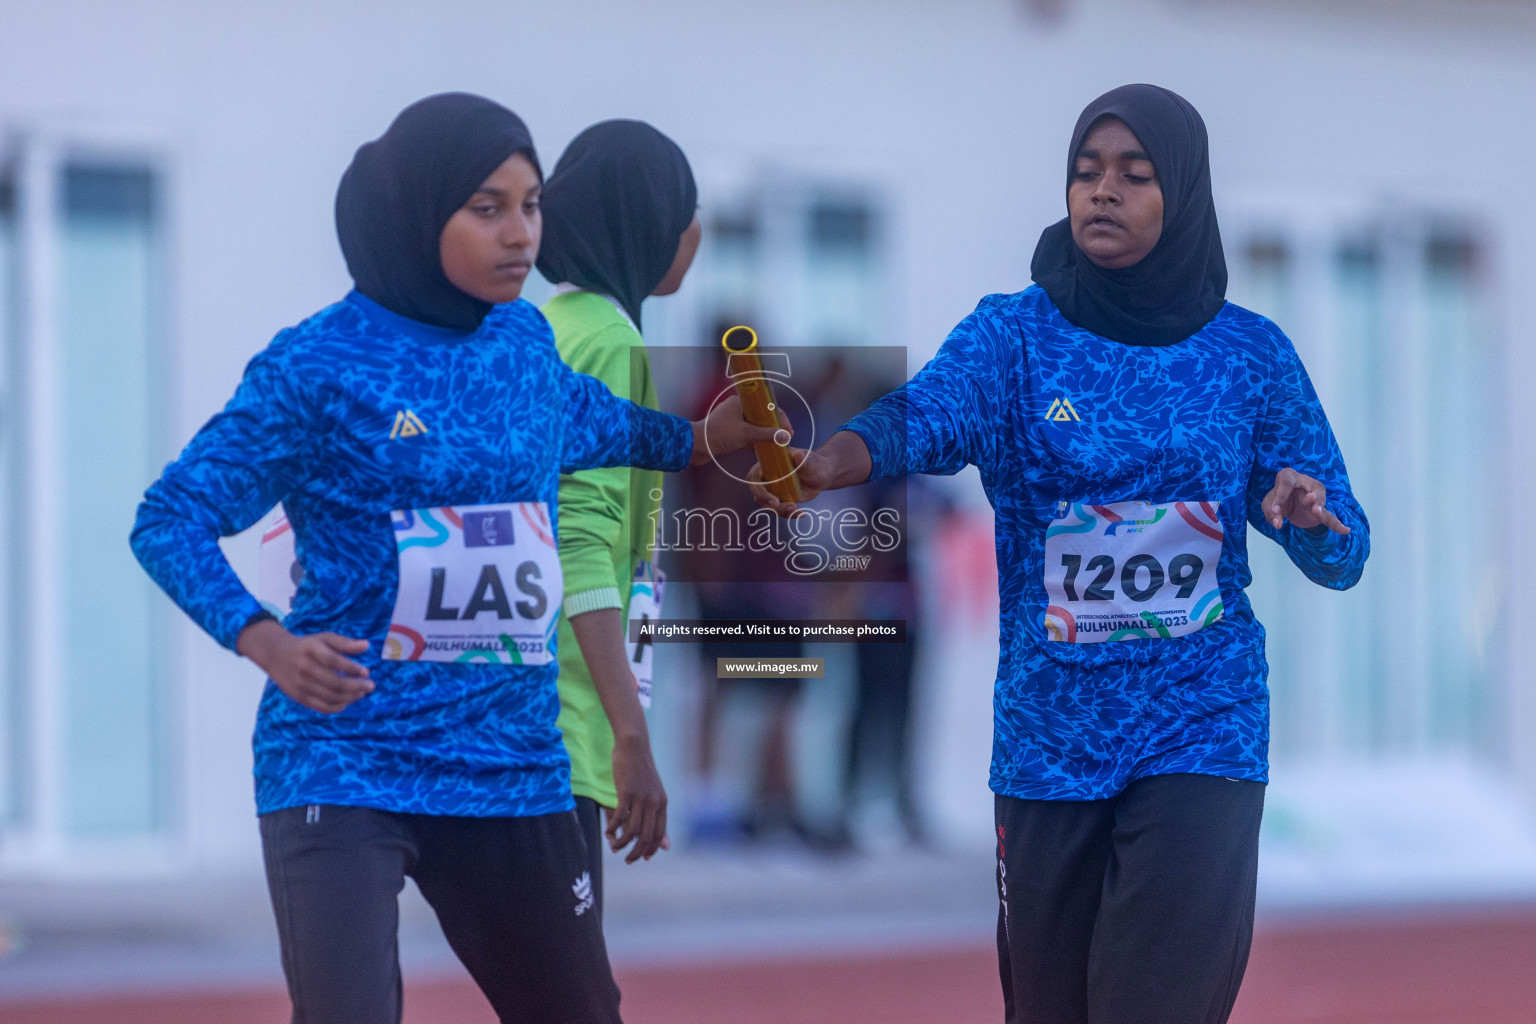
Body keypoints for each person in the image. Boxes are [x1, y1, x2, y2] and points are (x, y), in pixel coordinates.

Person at [129, 93, 776, 1024]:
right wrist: (263, 640)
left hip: (507, 760)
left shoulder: (521, 341)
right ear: (416, 208)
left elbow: (596, 424)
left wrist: (697, 438)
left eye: (532, 205)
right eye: (488, 208)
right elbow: (171, 517)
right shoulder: (318, 365)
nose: (521, 235)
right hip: (348, 757)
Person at [749, 84, 1369, 1024]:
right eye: (1086, 173)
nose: (1102, 193)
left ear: (1185, 195)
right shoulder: (1016, 336)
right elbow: (925, 413)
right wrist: (830, 459)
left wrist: (1308, 520)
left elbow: (1346, 549)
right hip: (1051, 742)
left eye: (1133, 175)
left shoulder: (1249, 356)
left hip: (1203, 723)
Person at [534, 119, 702, 915]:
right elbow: (583, 545)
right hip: (564, 720)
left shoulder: (551, 327)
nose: (694, 233)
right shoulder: (608, 340)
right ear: (643, 224)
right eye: (682, 209)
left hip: (542, 711)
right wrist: (630, 734)